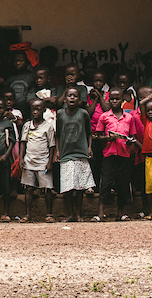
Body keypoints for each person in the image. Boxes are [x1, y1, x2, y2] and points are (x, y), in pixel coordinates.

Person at [93, 87, 142, 222]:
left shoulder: (129, 117)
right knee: (105, 183)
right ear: (109, 100)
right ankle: (100, 213)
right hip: (109, 155)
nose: (114, 101)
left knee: (123, 183)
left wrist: (129, 142)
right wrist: (107, 139)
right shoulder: (104, 116)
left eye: (117, 99)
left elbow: (132, 136)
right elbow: (97, 136)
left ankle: (120, 213)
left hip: (124, 155)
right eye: (112, 99)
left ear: (122, 100)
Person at [55, 87, 94, 222]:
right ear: (65, 99)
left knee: (80, 187)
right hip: (66, 154)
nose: (72, 98)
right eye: (69, 95)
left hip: (81, 153)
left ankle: (78, 214)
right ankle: (70, 214)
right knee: (67, 187)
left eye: (75, 96)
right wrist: (58, 151)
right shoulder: (60, 114)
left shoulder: (83, 114)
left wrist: (89, 147)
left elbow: (89, 132)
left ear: (79, 99)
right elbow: (58, 134)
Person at [20, 98, 56, 223]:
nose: (35, 112)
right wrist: (21, 158)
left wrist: (50, 161)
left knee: (47, 189)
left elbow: (52, 146)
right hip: (29, 161)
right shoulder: (27, 125)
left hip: (43, 162)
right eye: (33, 109)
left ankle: (49, 214)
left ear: (43, 110)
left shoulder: (48, 127)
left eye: (38, 109)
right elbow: (23, 143)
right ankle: (28, 214)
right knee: (28, 188)